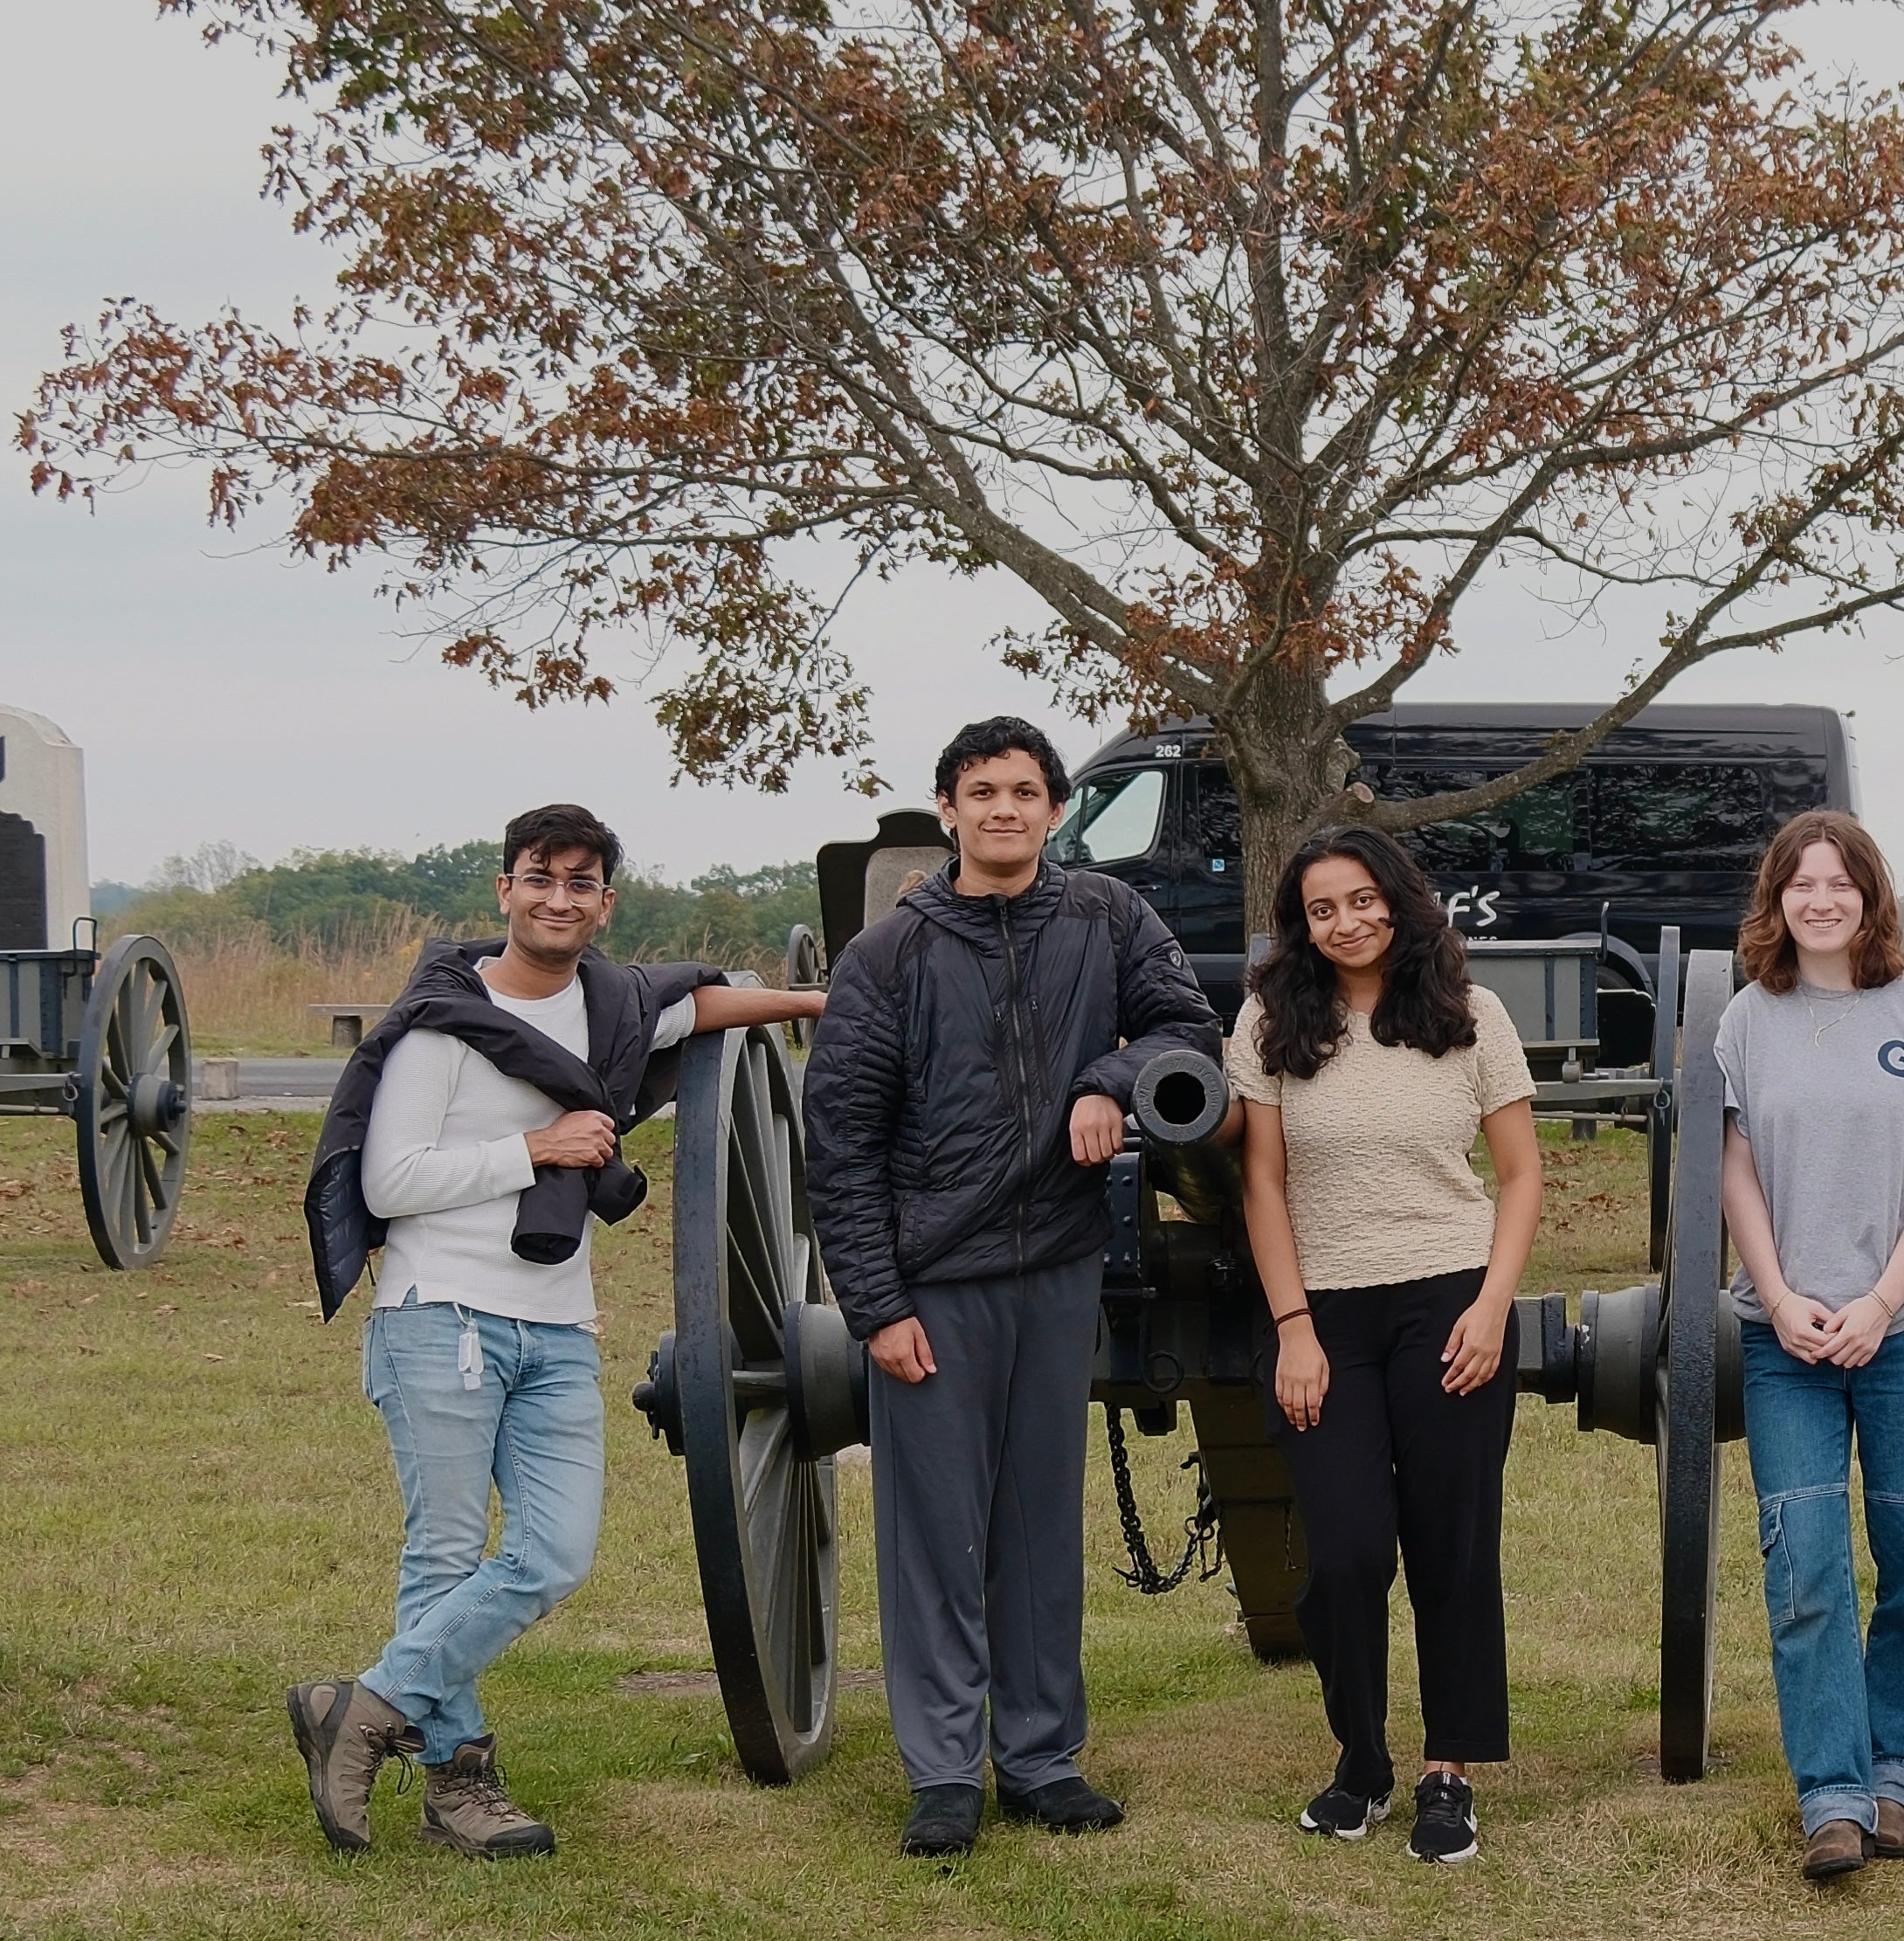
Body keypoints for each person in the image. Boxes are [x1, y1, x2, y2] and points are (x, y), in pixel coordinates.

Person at [288, 805, 824, 1858]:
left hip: (556, 1328)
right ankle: (459, 1784)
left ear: (604, 902)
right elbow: (388, 1180)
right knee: (446, 1553)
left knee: (554, 1552)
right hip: (440, 1313)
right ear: (504, 890)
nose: (559, 897)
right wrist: (533, 1149)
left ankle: (359, 1705)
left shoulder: (614, 1010)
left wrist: (815, 997)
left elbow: (703, 1006)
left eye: (582, 882)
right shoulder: (445, 1021)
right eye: (540, 877)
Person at [805, 716, 1221, 1858]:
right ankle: (943, 1769)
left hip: (1060, 1265)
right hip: (936, 1276)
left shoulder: (1105, 917)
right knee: (937, 1531)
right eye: (981, 790)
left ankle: (1040, 1754)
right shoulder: (888, 954)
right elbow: (839, 1140)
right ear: (946, 810)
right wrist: (877, 1304)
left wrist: (1109, 1076)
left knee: (1038, 1523)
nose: (1004, 808)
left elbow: (1185, 1024)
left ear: (1051, 809)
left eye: (1025, 790)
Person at [1227, 825, 1542, 1864]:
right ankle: (1359, 1759)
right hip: (1323, 1310)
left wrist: (1493, 1305)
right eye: (1323, 909)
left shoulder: (1469, 1015)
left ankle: (1447, 1769)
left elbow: (1520, 1175)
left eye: (1362, 900)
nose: (1347, 921)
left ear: (1399, 901)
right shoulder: (1273, 1020)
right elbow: (1261, 1182)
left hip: (1447, 1298)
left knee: (1451, 1543)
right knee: (1351, 1549)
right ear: (1301, 926)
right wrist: (1292, 1331)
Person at [1719, 810, 1904, 1882]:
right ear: (1777, 899)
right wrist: (1780, 1295)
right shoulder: (1748, 1019)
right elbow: (1735, 1170)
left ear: (1869, 896)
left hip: (1902, 1326)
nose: (1820, 899)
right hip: (1784, 1333)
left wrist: (1881, 1301)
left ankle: (1895, 1778)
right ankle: (1830, 1795)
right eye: (1801, 882)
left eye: (1839, 882)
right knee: (1806, 1562)